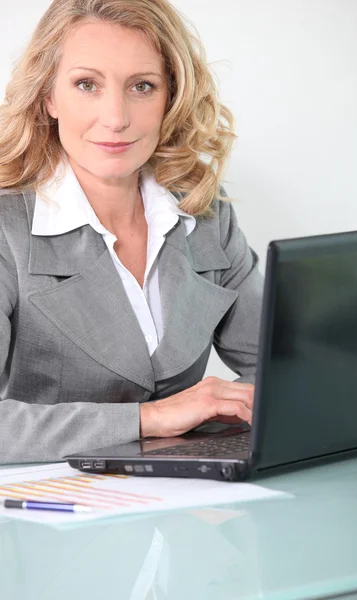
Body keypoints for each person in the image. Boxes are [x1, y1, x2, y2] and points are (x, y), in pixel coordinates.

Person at [0, 0, 263, 464]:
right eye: (87, 85)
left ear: (171, 98)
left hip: (181, 507)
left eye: (142, 86)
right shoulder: (8, 227)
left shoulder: (203, 210)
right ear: (49, 97)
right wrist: (150, 419)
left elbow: (281, 366)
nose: (116, 117)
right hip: (48, 514)